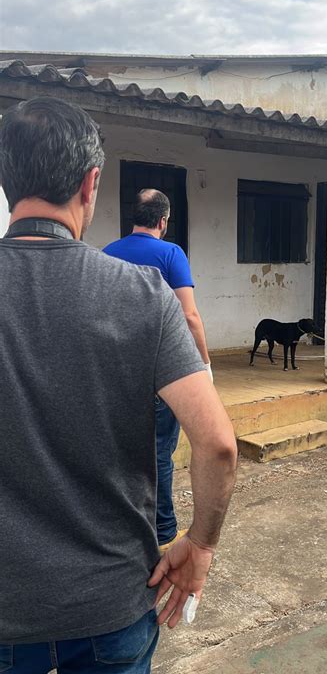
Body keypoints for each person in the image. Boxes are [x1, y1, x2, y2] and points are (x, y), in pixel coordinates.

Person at [0, 97, 237, 674]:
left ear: (7, 182)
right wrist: (199, 543)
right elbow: (218, 443)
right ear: (90, 184)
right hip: (112, 602)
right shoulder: (142, 294)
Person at [103, 190, 212, 555]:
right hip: (161, 373)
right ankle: (163, 528)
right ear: (163, 221)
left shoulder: (107, 253)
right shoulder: (170, 253)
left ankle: (124, 518)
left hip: (119, 371)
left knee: (125, 449)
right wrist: (205, 365)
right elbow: (189, 315)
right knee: (161, 451)